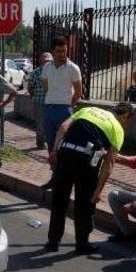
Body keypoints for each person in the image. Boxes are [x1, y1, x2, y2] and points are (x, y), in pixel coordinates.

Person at [45, 103, 134, 255]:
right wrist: (98, 191)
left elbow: (63, 127)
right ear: (125, 116)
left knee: (59, 200)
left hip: (66, 153)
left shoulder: (88, 110)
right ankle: (82, 245)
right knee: (84, 204)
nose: (126, 124)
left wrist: (54, 150)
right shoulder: (117, 128)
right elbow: (109, 163)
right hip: (88, 160)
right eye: (128, 120)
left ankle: (53, 241)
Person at [41, 36, 83, 189]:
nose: (61, 54)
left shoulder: (73, 68)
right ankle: (55, 176)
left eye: (64, 51)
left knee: (64, 145)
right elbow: (46, 87)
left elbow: (78, 92)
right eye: (58, 51)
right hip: (48, 109)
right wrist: (52, 99)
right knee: (51, 144)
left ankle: (64, 179)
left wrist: (68, 107)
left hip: (64, 109)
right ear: (53, 51)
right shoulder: (47, 67)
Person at [27, 52, 53, 149]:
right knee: (40, 124)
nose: (46, 63)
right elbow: (30, 88)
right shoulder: (35, 73)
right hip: (39, 102)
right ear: (41, 61)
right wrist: (34, 96)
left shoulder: (54, 72)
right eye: (44, 61)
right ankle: (40, 143)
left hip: (52, 102)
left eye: (48, 61)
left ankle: (50, 142)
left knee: (50, 124)